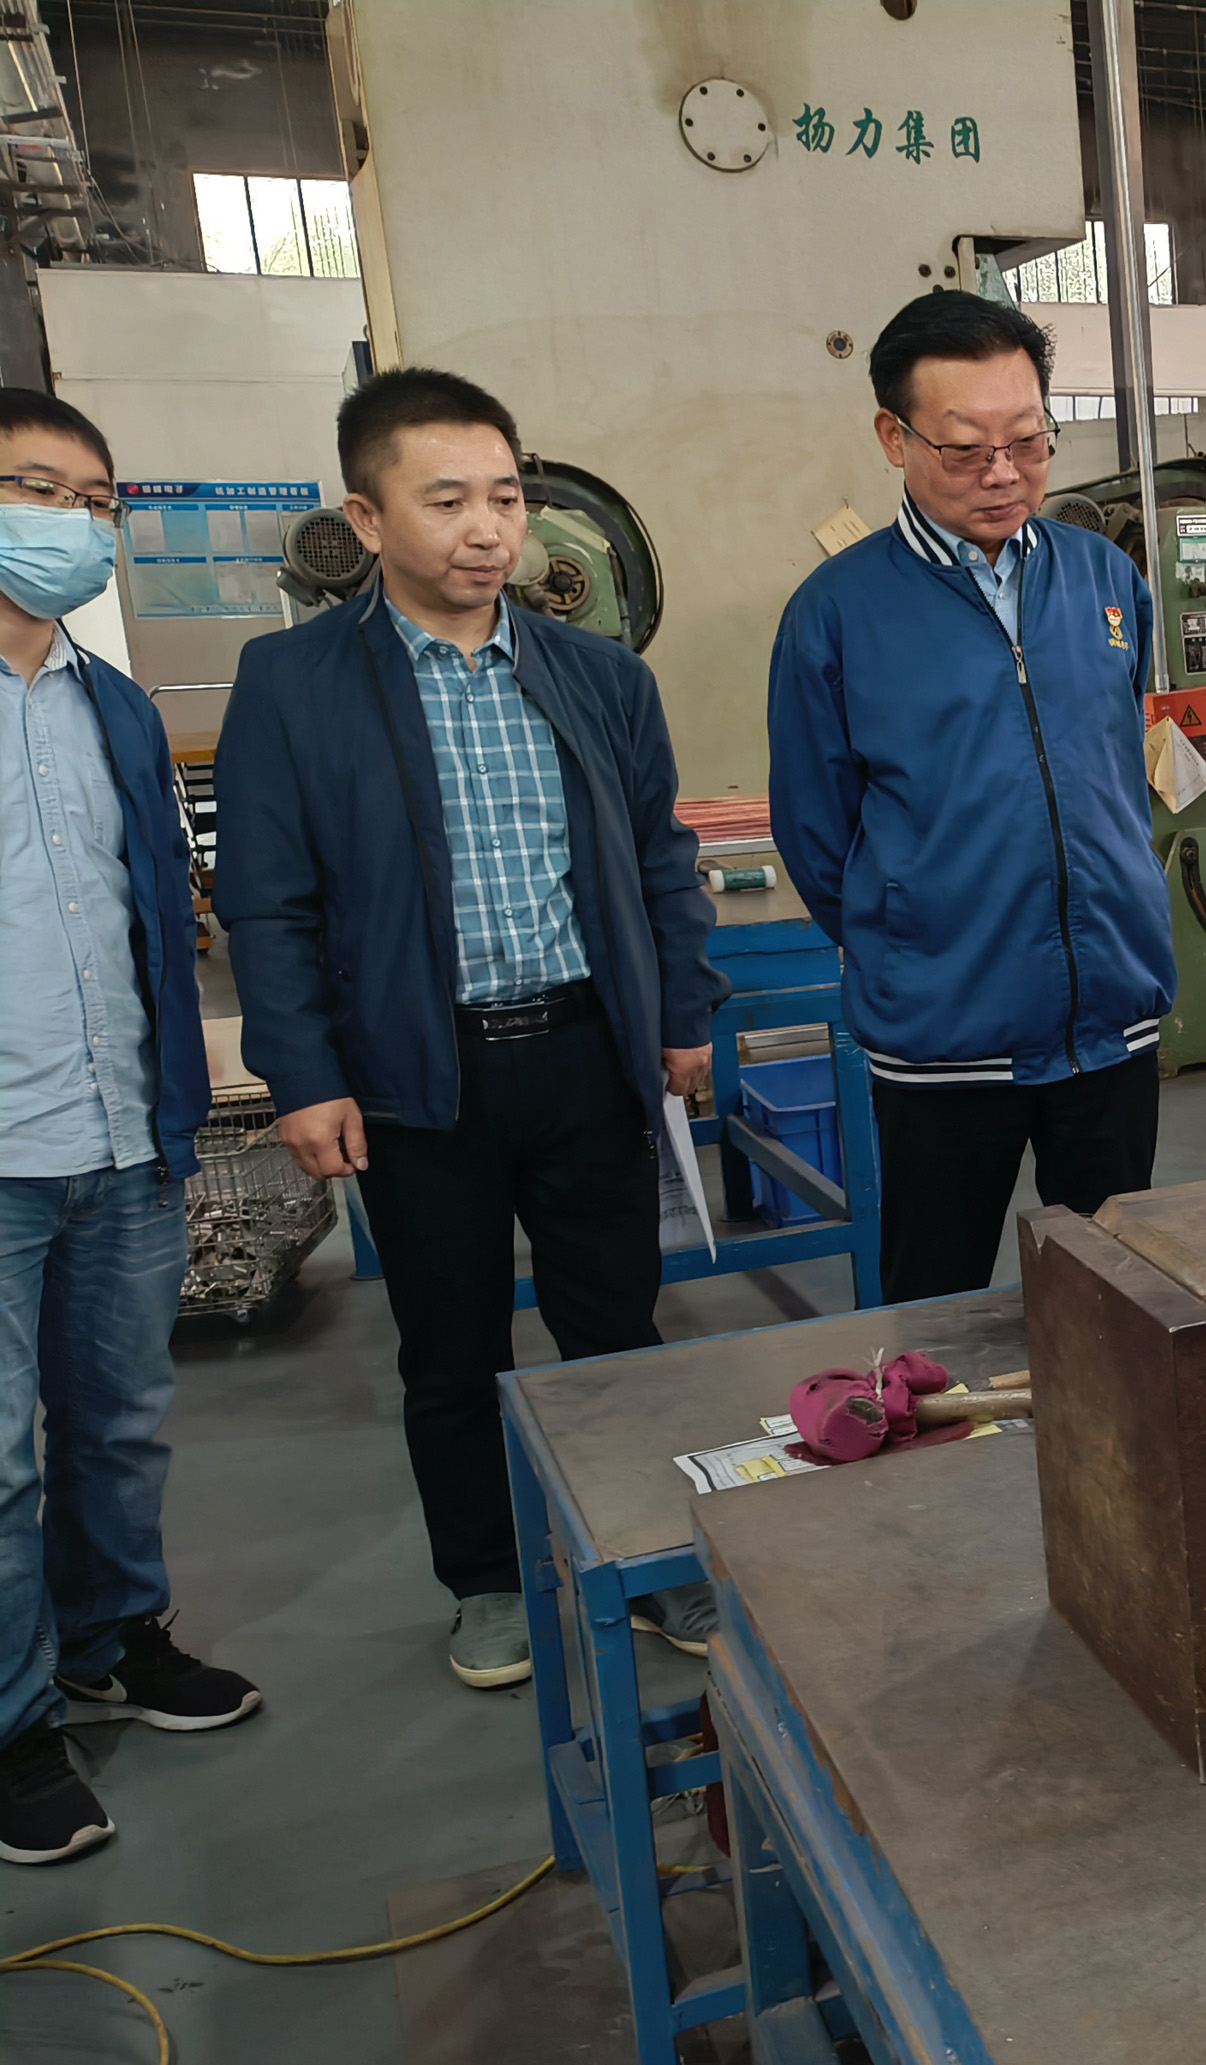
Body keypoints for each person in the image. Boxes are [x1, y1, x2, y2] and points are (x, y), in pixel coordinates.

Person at [218, 368, 727, 1690]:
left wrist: (680, 1011)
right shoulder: (293, 683)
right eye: (446, 501)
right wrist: (303, 1074)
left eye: (504, 497)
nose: (488, 529)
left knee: (616, 1326)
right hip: (414, 1078)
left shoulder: (598, 674)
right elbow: (267, 902)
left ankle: (649, 1551)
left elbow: (660, 859)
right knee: (450, 1348)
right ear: (366, 518)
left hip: (585, 1054)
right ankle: (489, 1580)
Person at [769, 291, 1173, 1305]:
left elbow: (1117, 769)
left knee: (1118, 1305)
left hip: (1110, 1021)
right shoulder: (838, 613)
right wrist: (912, 935)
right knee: (933, 1311)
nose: (1003, 473)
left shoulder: (1106, 579)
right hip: (944, 1037)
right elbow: (815, 831)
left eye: (1029, 442)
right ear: (893, 438)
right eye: (965, 449)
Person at [0, 391, 254, 1868]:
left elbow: (154, 911)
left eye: (97, 501)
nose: (76, 524)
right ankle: (13, 1726)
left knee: (118, 1423)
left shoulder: (113, 706)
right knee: (1, 1466)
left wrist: (171, 1102)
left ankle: (111, 1640)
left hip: (119, 1133)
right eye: (40, 489)